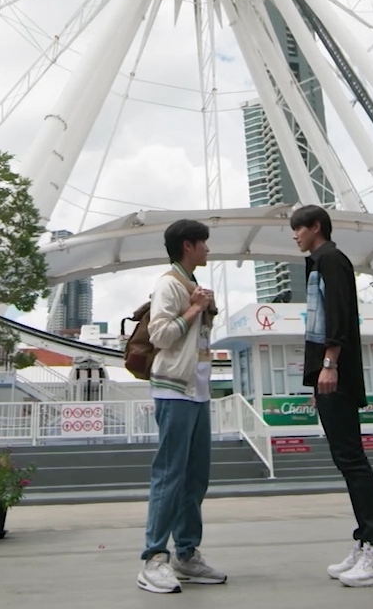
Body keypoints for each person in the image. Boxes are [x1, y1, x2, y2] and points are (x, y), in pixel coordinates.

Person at [291, 204, 373, 587]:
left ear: (315, 226)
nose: (295, 236)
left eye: (298, 229)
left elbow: (338, 314)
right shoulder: (319, 262)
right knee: (346, 458)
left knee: (352, 459)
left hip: (336, 372)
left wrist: (330, 363)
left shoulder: (332, 259)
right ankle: (367, 539)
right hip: (327, 373)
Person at [136, 218, 229, 594]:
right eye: (203, 243)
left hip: (197, 391)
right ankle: (153, 558)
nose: (208, 249)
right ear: (188, 246)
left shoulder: (192, 285)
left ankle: (186, 553)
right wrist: (194, 309)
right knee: (170, 475)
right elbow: (160, 334)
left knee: (195, 479)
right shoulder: (168, 285)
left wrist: (203, 304)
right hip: (174, 390)